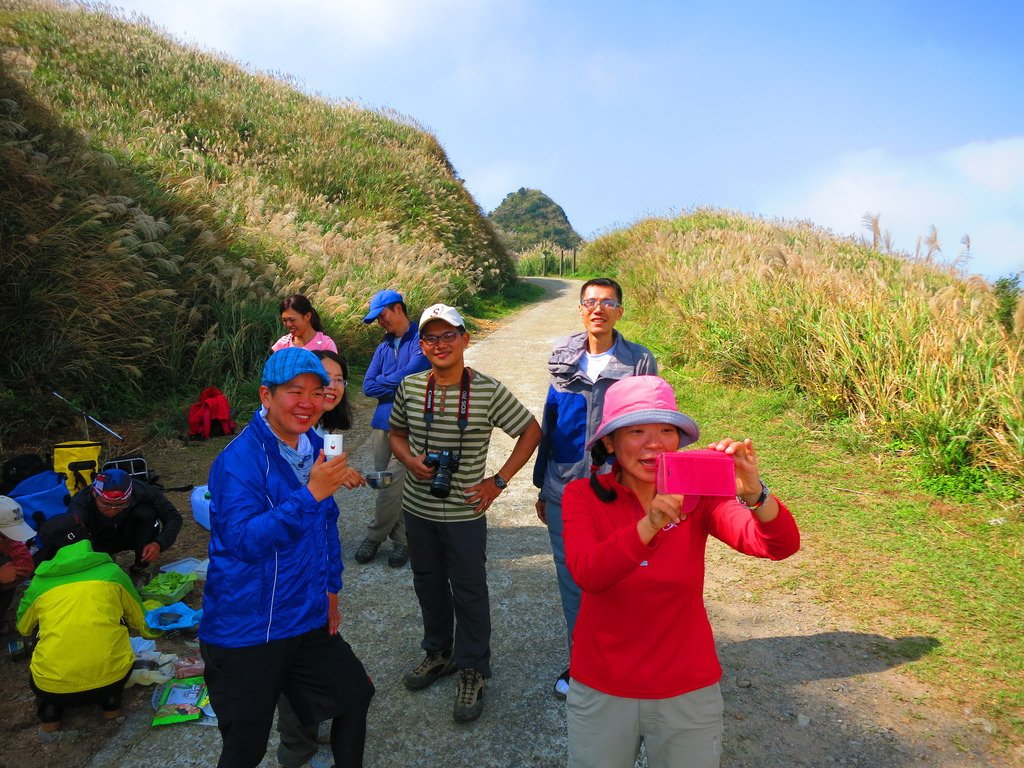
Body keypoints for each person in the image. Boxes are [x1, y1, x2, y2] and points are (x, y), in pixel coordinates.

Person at [561, 376, 800, 768]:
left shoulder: (700, 495)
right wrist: (650, 524)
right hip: (602, 684)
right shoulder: (581, 496)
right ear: (609, 442)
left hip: (686, 684)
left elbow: (777, 545)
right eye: (636, 430)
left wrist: (755, 492)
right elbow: (589, 573)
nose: (653, 443)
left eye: (666, 431)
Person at [201, 347, 374, 768]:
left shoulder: (315, 444)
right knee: (246, 747)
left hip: (303, 617)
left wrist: (331, 589)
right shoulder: (238, 462)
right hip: (247, 627)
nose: (308, 403)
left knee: (354, 695)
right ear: (266, 396)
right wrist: (311, 492)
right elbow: (244, 541)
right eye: (295, 392)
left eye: (317, 393)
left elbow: (325, 527)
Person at [389, 303, 542, 723]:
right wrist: (408, 461)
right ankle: (438, 653)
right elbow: (395, 433)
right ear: (422, 345)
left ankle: (473, 667)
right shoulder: (411, 386)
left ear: (464, 340)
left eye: (448, 336)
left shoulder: (489, 391)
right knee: (428, 584)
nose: (440, 345)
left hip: (464, 513)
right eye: (431, 338)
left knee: (469, 590)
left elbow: (531, 430)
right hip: (417, 509)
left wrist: (498, 481)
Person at [532, 277, 657, 698]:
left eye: (607, 302)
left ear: (620, 311)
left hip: (616, 489)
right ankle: (583, 664)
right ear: (581, 310)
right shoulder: (563, 357)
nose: (597, 309)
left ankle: (627, 658)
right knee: (573, 580)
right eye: (589, 302)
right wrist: (540, 485)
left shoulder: (640, 361)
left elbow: (648, 431)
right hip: (564, 486)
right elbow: (551, 423)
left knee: (623, 576)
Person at [275, 347, 356, 768]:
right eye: (321, 378)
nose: (330, 387)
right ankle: (297, 746)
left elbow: (323, 519)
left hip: (314, 568)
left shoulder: (319, 433)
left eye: (337, 379)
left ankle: (308, 728)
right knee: (297, 657)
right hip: (287, 578)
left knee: (313, 652)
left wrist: (330, 585)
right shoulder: (286, 438)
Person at [17, 513, 152, 732]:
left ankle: (51, 714)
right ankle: (111, 704)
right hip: (114, 677)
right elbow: (138, 618)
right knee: (118, 621)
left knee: (38, 631)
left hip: (52, 686)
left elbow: (23, 626)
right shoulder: (112, 573)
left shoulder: (38, 584)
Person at [356, 289, 431, 567]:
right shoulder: (382, 347)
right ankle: (402, 541)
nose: (380, 322)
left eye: (382, 315)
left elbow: (413, 376)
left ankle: (374, 536)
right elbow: (366, 386)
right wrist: (397, 382)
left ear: (398, 308)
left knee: (393, 483)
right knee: (386, 483)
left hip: (410, 426)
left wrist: (388, 382)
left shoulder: (420, 342)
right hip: (381, 425)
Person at [66, 468, 183, 586]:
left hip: (128, 533)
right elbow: (71, 540)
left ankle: (139, 569)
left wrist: (159, 543)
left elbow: (173, 516)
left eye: (120, 504)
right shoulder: (80, 504)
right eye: (106, 504)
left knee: (146, 512)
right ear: (94, 493)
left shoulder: (142, 490)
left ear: (129, 495)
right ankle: (103, 560)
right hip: (97, 540)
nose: (112, 509)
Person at [1, 496, 35, 632]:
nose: (11, 539)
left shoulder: (6, 538)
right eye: (6, 535)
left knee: (12, 570)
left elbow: (26, 565)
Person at [271, 293, 338, 353]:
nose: (288, 324)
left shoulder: (325, 344)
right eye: (284, 320)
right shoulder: (282, 344)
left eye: (292, 320)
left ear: (307, 316)